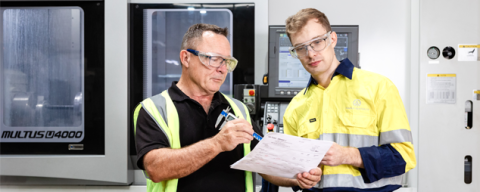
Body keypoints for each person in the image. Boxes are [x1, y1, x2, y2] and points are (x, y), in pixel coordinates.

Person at [134, 23, 322, 192]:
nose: (222, 69)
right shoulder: (155, 110)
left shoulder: (238, 110)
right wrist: (217, 144)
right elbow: (156, 170)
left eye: (226, 61)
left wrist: (298, 177)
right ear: (186, 58)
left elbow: (266, 165)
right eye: (213, 59)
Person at [273, 8, 417, 191]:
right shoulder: (296, 106)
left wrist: (348, 155)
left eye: (317, 42)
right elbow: (293, 169)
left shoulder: (378, 87)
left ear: (332, 39)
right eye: (301, 48)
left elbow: (404, 158)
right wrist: (303, 177)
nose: (310, 54)